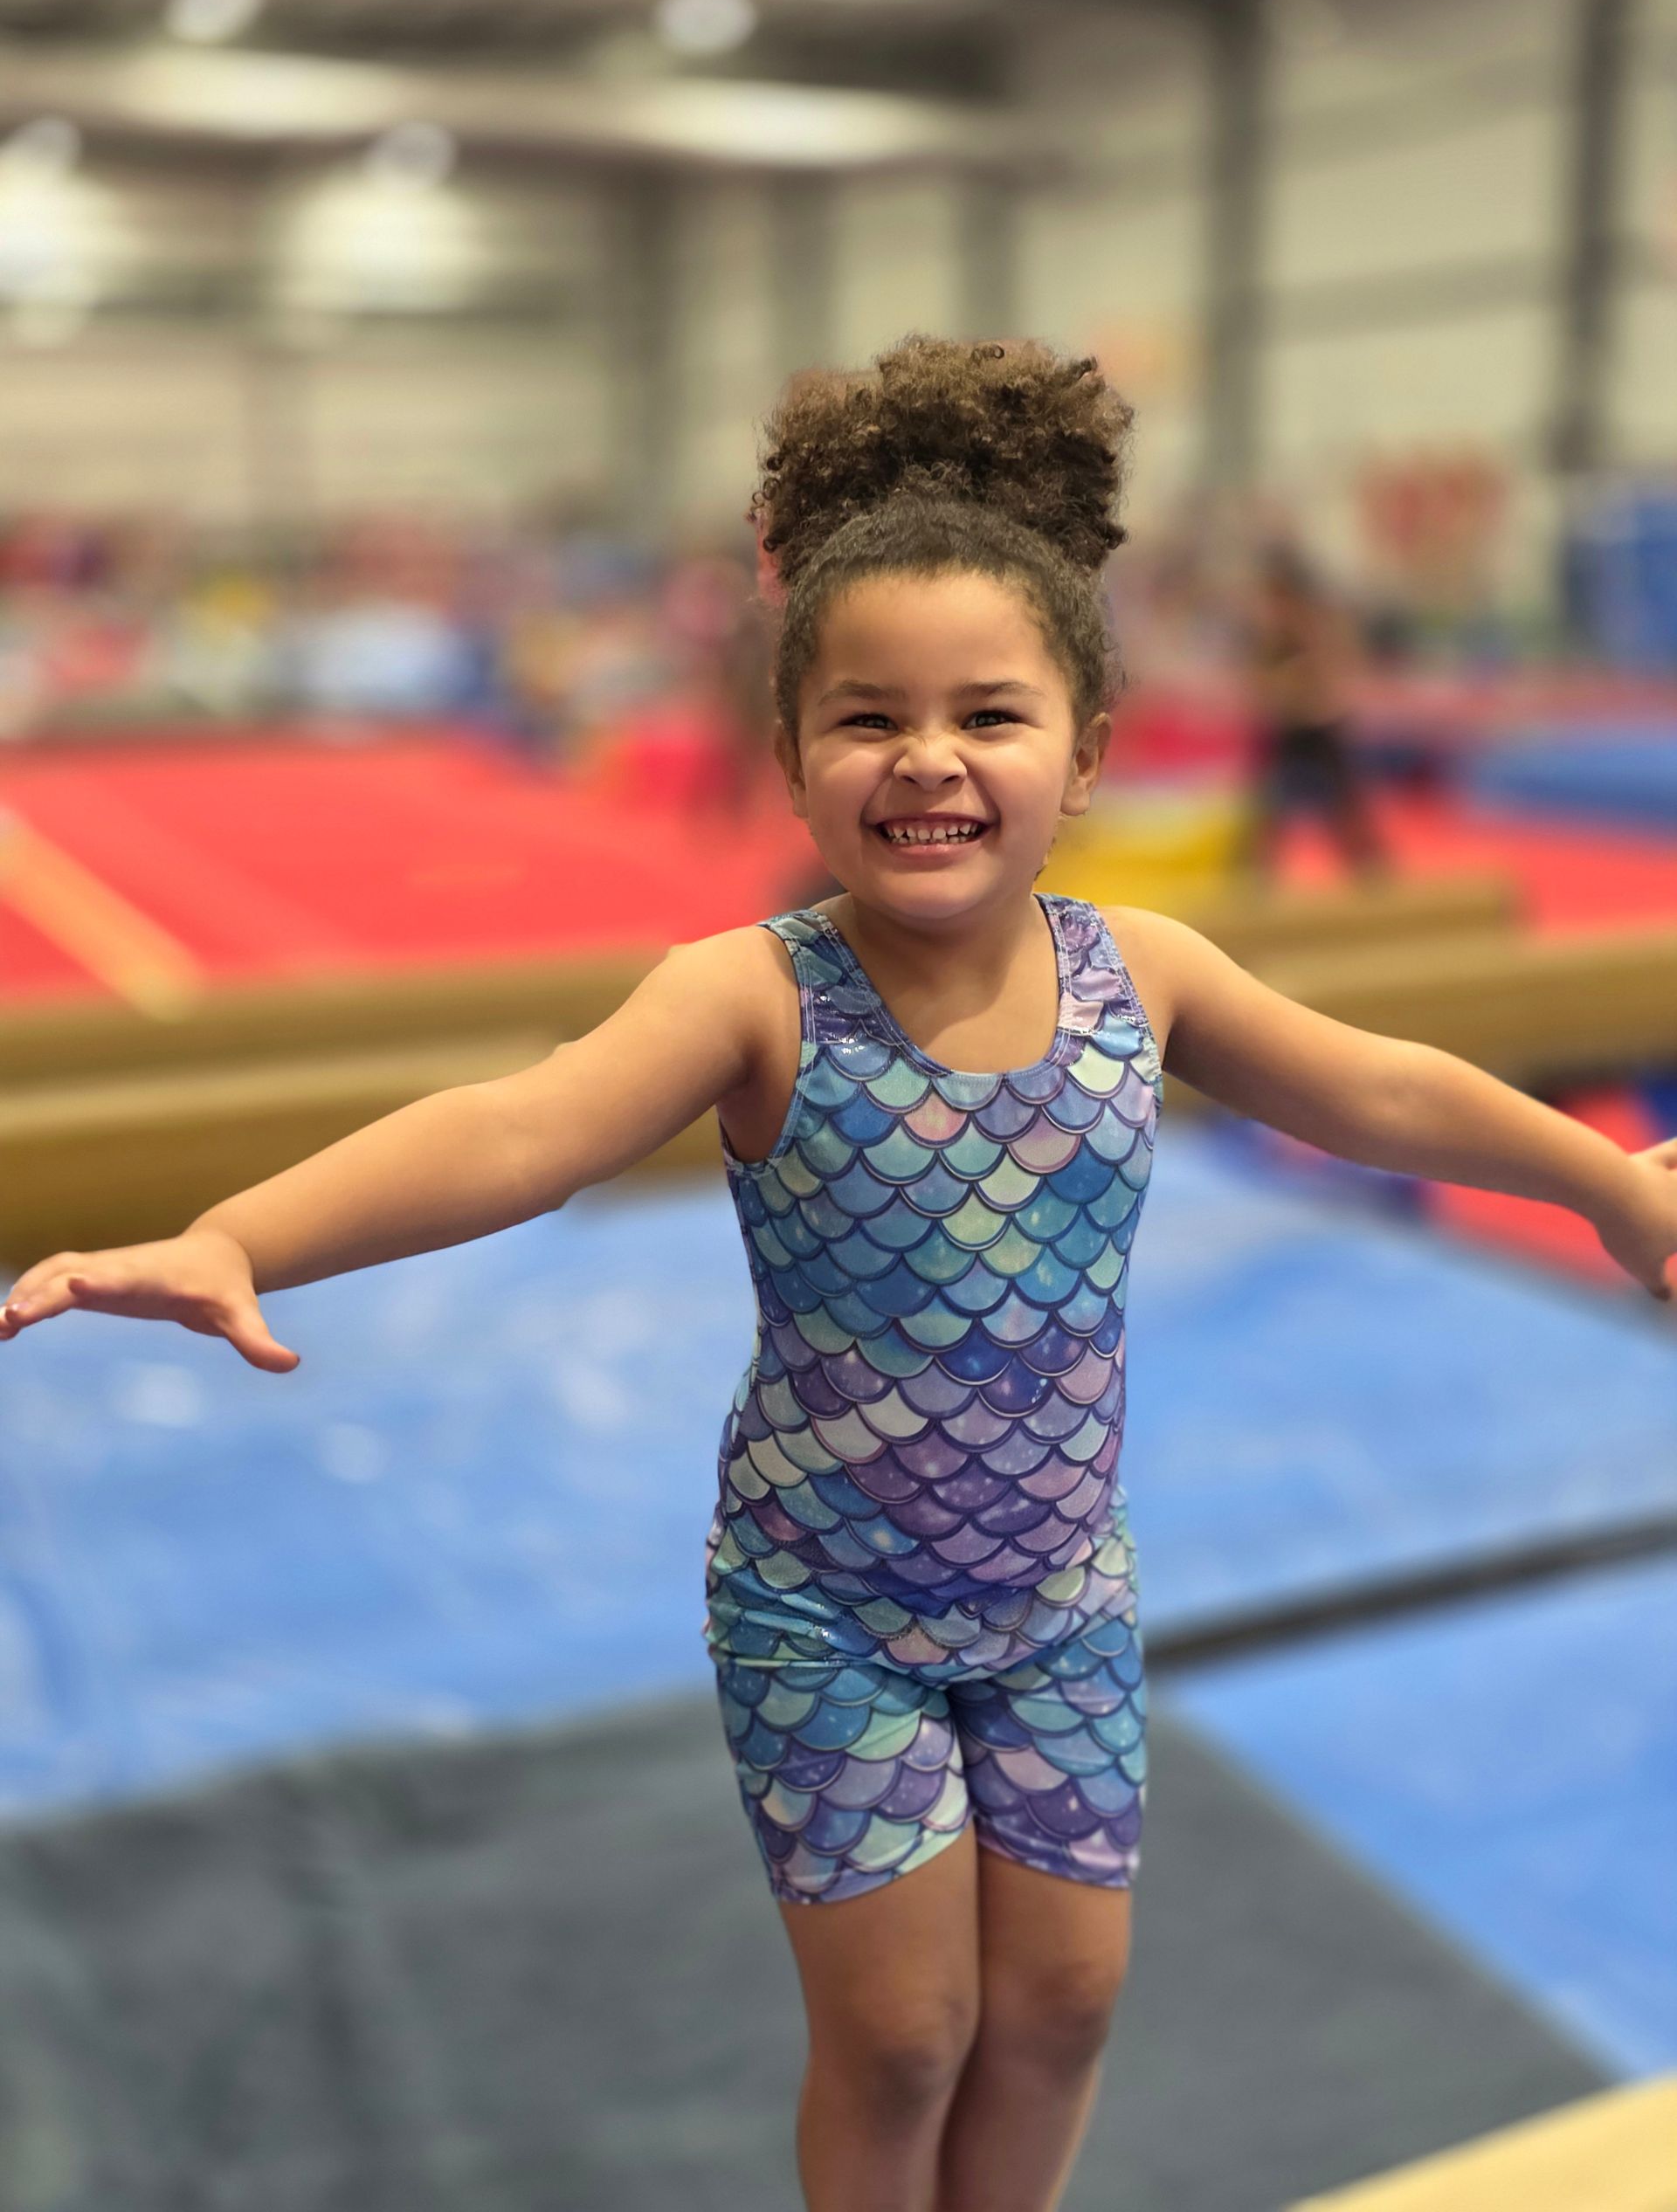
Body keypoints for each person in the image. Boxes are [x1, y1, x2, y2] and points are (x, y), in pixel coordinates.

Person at [3, 337, 1674, 2212]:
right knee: (902, 2036)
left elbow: (1381, 1085)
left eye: (990, 712)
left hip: (1060, 1596)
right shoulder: (755, 996)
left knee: (1061, 2008)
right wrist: (239, 1233)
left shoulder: (1146, 972)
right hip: (828, 1615)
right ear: (793, 759)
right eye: (868, 716)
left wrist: (1601, 1187)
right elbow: (519, 1128)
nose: (929, 756)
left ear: (1086, 749)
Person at [1244, 540, 1387, 879]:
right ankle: (1252, 876)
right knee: (1268, 812)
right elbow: (1263, 687)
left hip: (1319, 729)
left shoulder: (1312, 627)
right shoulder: (1273, 638)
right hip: (1289, 729)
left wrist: (1307, 686)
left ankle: (1371, 872)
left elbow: (1332, 678)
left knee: (1344, 808)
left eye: (1277, 599)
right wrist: (1282, 686)